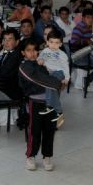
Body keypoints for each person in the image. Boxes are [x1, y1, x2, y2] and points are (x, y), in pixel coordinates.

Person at [18, 38, 62, 171]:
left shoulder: (42, 64)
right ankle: (30, 156)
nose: (32, 53)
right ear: (23, 53)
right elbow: (39, 80)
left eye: (35, 50)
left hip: (50, 102)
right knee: (34, 131)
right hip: (35, 102)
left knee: (49, 130)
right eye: (29, 51)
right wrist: (55, 83)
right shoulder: (24, 67)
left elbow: (58, 73)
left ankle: (47, 156)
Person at [37, 30, 69, 127]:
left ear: (60, 44)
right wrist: (40, 60)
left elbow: (66, 67)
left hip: (59, 73)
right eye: (51, 42)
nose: (53, 45)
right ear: (47, 42)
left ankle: (49, 105)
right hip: (48, 73)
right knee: (51, 87)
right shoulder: (44, 51)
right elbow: (39, 58)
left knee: (50, 84)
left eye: (56, 43)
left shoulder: (62, 54)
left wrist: (67, 78)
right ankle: (58, 112)